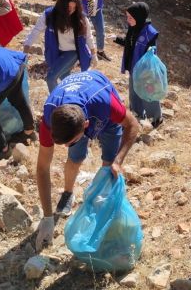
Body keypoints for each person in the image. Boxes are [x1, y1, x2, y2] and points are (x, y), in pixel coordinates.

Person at [35, 70, 140, 251]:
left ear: (85, 126)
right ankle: (68, 193)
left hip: (104, 116)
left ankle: (103, 208)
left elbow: (133, 125)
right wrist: (47, 217)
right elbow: (42, 168)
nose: (66, 146)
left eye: (71, 142)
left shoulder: (106, 104)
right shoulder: (50, 118)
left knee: (109, 167)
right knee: (75, 158)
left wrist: (118, 161)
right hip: (76, 112)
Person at [23, 0, 98, 92]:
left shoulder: (81, 18)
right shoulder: (49, 15)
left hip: (73, 52)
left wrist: (94, 55)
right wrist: (25, 51)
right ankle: (74, 98)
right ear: (61, 6)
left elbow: (89, 37)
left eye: (74, 8)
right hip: (55, 53)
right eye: (68, 7)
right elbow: (35, 32)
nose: (71, 11)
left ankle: (55, 104)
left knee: (51, 77)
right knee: (66, 80)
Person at [115, 2, 162, 127]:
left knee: (148, 94)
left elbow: (151, 53)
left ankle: (156, 118)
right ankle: (137, 115)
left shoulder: (149, 33)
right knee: (134, 93)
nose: (128, 20)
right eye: (127, 17)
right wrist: (120, 40)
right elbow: (132, 43)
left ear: (139, 17)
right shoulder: (134, 27)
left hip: (145, 71)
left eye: (130, 17)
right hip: (133, 68)